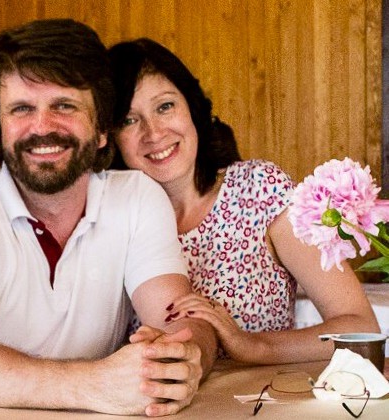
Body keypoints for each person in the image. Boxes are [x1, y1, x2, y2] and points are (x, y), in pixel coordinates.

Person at [0, 20, 217, 417]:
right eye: (21, 109)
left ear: (102, 129)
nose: (42, 127)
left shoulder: (137, 197)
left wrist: (185, 358)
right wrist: (92, 384)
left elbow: (181, 320)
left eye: (64, 106)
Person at [106, 38, 380, 365]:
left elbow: (360, 327)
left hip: (261, 393)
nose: (153, 132)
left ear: (192, 107)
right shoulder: (108, 215)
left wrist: (253, 346)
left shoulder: (260, 189)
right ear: (108, 137)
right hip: (157, 396)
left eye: (165, 106)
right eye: (128, 120)